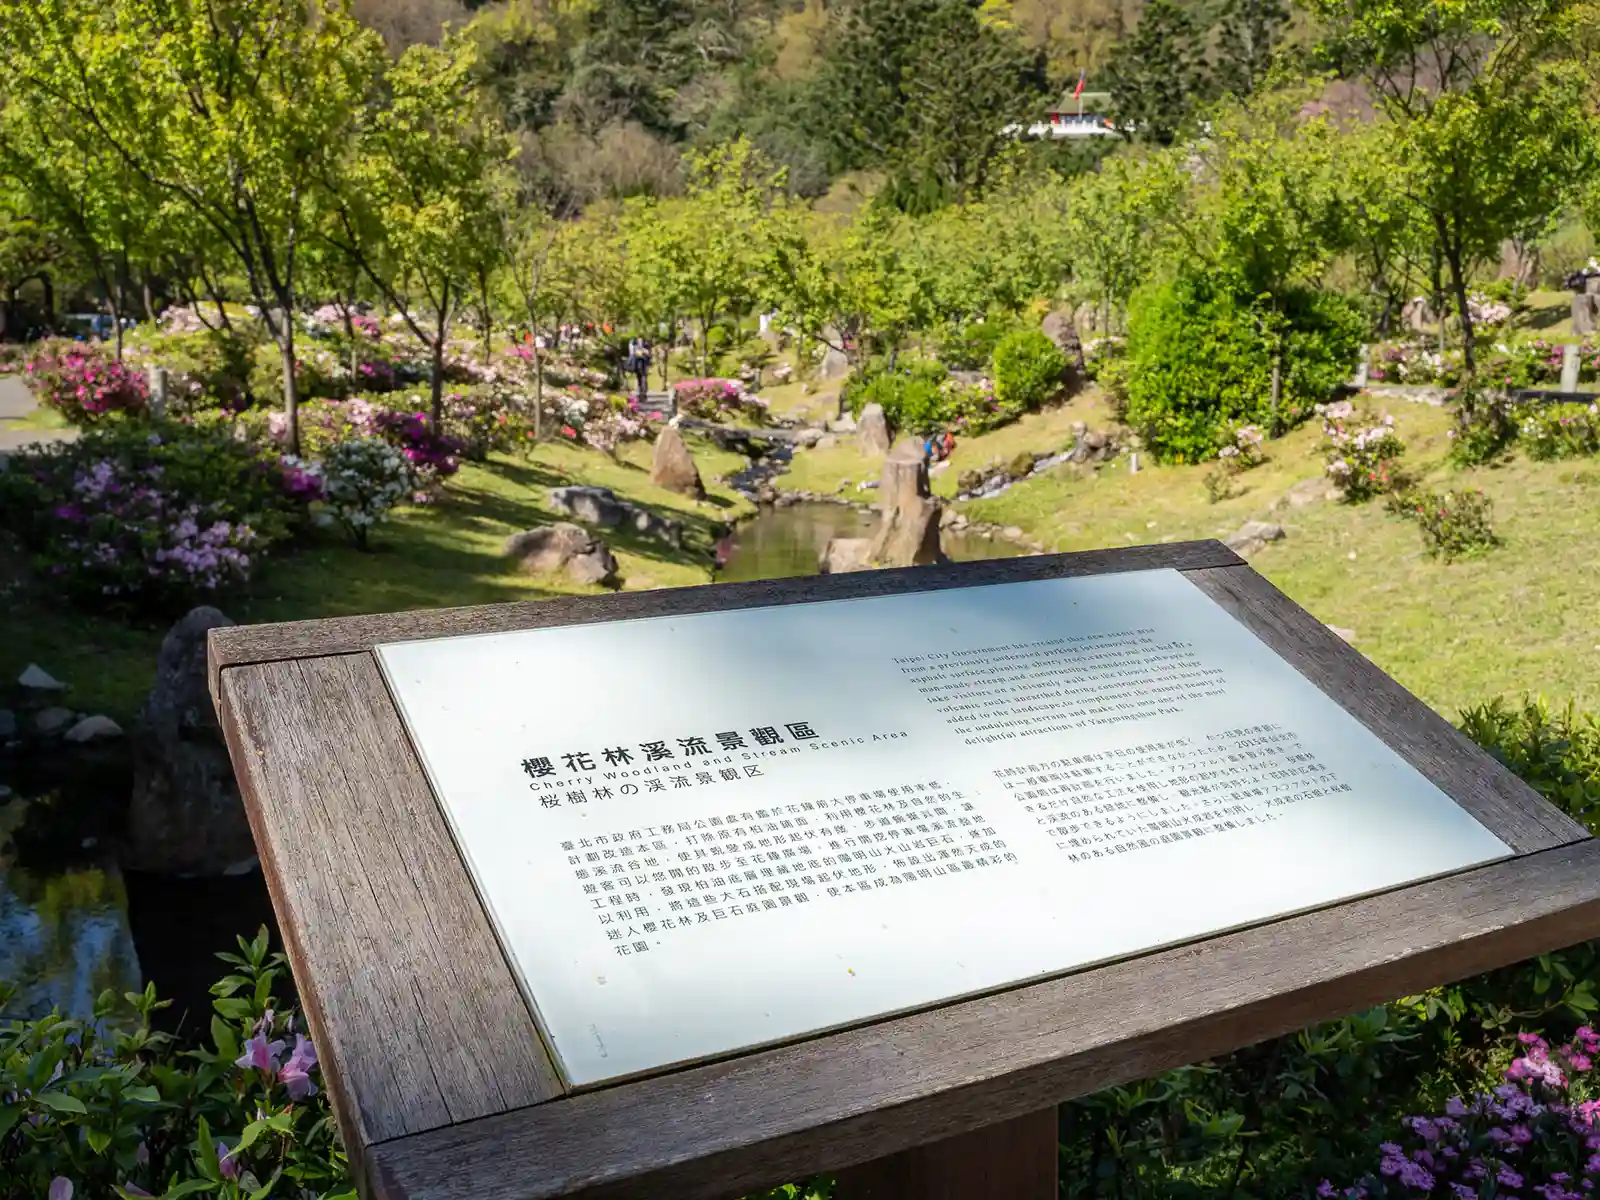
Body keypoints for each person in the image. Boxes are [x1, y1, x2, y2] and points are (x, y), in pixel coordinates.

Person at [627, 336, 652, 401]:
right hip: (638, 367)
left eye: (641, 341)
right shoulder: (635, 347)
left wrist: (645, 353)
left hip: (645, 366)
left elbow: (649, 356)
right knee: (639, 380)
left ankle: (644, 394)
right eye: (639, 341)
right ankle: (641, 394)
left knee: (644, 380)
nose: (640, 342)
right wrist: (639, 353)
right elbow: (634, 354)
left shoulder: (646, 347)